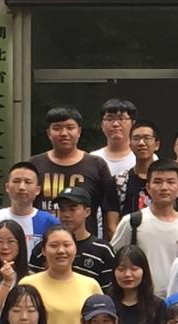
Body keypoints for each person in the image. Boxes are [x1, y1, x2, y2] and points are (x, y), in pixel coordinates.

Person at [29, 106, 120, 240]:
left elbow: (110, 209)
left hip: (85, 244)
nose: (64, 133)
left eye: (70, 128)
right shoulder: (34, 164)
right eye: (57, 128)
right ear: (48, 133)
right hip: (43, 242)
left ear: (79, 131)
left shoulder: (96, 165)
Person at [19, 225, 103, 324]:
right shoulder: (28, 285)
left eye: (67, 245)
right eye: (54, 245)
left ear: (75, 249)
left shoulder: (90, 285)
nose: (61, 250)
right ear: (43, 250)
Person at [110, 160, 178, 293]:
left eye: (170, 182)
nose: (164, 187)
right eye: (157, 182)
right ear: (148, 187)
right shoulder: (132, 222)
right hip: (139, 298)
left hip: (176, 300)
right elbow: (114, 258)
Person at [30, 187, 115, 291]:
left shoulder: (102, 250)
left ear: (87, 212)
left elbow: (109, 292)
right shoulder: (43, 248)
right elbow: (31, 288)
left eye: (72, 209)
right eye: (62, 209)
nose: (66, 215)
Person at [110, 246, 167, 324]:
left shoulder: (158, 305)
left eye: (134, 268)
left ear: (144, 271)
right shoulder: (108, 304)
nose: (127, 274)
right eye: (121, 269)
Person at [90, 98, 138, 214]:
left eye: (121, 119)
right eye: (110, 119)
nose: (116, 124)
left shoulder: (143, 158)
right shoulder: (92, 159)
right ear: (102, 125)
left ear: (133, 124)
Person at [120, 120, 162, 213]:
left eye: (147, 138)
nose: (141, 143)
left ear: (157, 145)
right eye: (136, 139)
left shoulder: (168, 180)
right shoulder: (119, 182)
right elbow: (112, 220)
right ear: (130, 145)